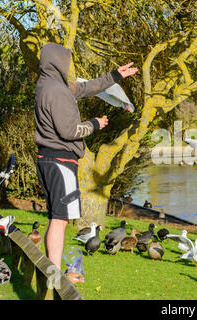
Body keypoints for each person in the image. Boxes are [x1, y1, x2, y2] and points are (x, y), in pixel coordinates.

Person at [34, 43, 138, 269]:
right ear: (58, 62)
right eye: (66, 61)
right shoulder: (57, 91)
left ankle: (50, 270)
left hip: (48, 160)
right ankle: (55, 274)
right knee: (60, 221)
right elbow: (69, 131)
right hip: (61, 161)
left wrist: (115, 76)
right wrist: (95, 124)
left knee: (56, 220)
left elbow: (86, 88)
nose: (68, 65)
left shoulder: (47, 85)